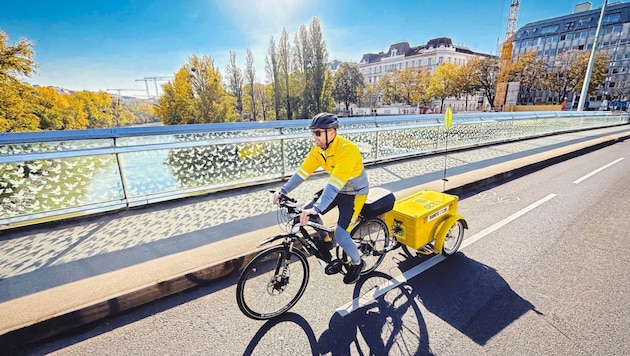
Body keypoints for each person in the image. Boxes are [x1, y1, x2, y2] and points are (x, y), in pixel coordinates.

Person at [273, 112, 368, 284]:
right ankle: (326, 240)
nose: (314, 137)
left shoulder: (347, 150)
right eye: (313, 133)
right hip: (337, 189)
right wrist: (283, 190)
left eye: (317, 133)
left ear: (331, 132)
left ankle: (358, 263)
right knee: (307, 213)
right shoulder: (319, 150)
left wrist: (317, 207)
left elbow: (333, 184)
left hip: (354, 194)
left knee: (341, 234)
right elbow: (303, 172)